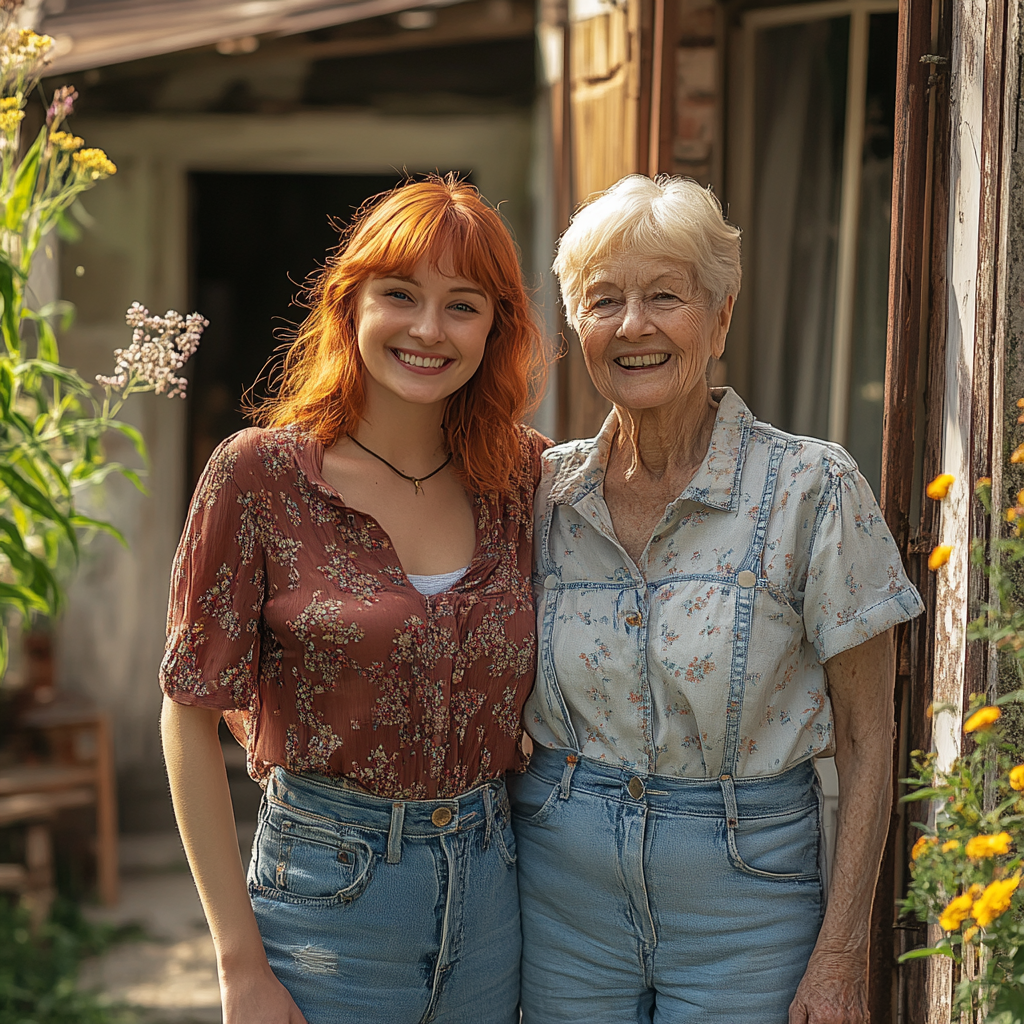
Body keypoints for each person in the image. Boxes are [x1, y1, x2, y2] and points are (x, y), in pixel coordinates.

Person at [511, 173, 924, 1024]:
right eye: (604, 301)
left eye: (667, 296)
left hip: (750, 903)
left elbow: (867, 736)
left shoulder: (811, 487)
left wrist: (842, 951)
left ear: (721, 317)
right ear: (576, 326)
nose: (634, 326)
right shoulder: (536, 493)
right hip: (561, 900)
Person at [159, 176, 547, 1024]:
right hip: (327, 898)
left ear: (497, 327)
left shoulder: (524, 477)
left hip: (495, 895)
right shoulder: (259, 474)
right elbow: (189, 713)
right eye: (400, 295)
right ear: (351, 304)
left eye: (463, 304)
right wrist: (240, 966)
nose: (428, 329)